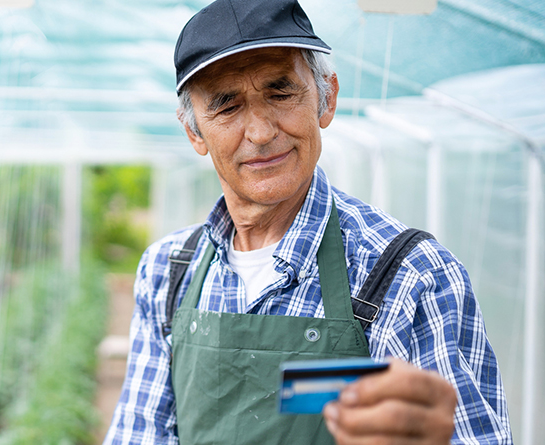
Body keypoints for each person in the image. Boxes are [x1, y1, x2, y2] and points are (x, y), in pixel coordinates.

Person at [103, 0, 512, 443]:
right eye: (226, 106)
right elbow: (140, 434)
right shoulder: (168, 271)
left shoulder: (411, 276)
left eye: (281, 93)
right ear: (195, 132)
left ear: (327, 98)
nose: (260, 132)